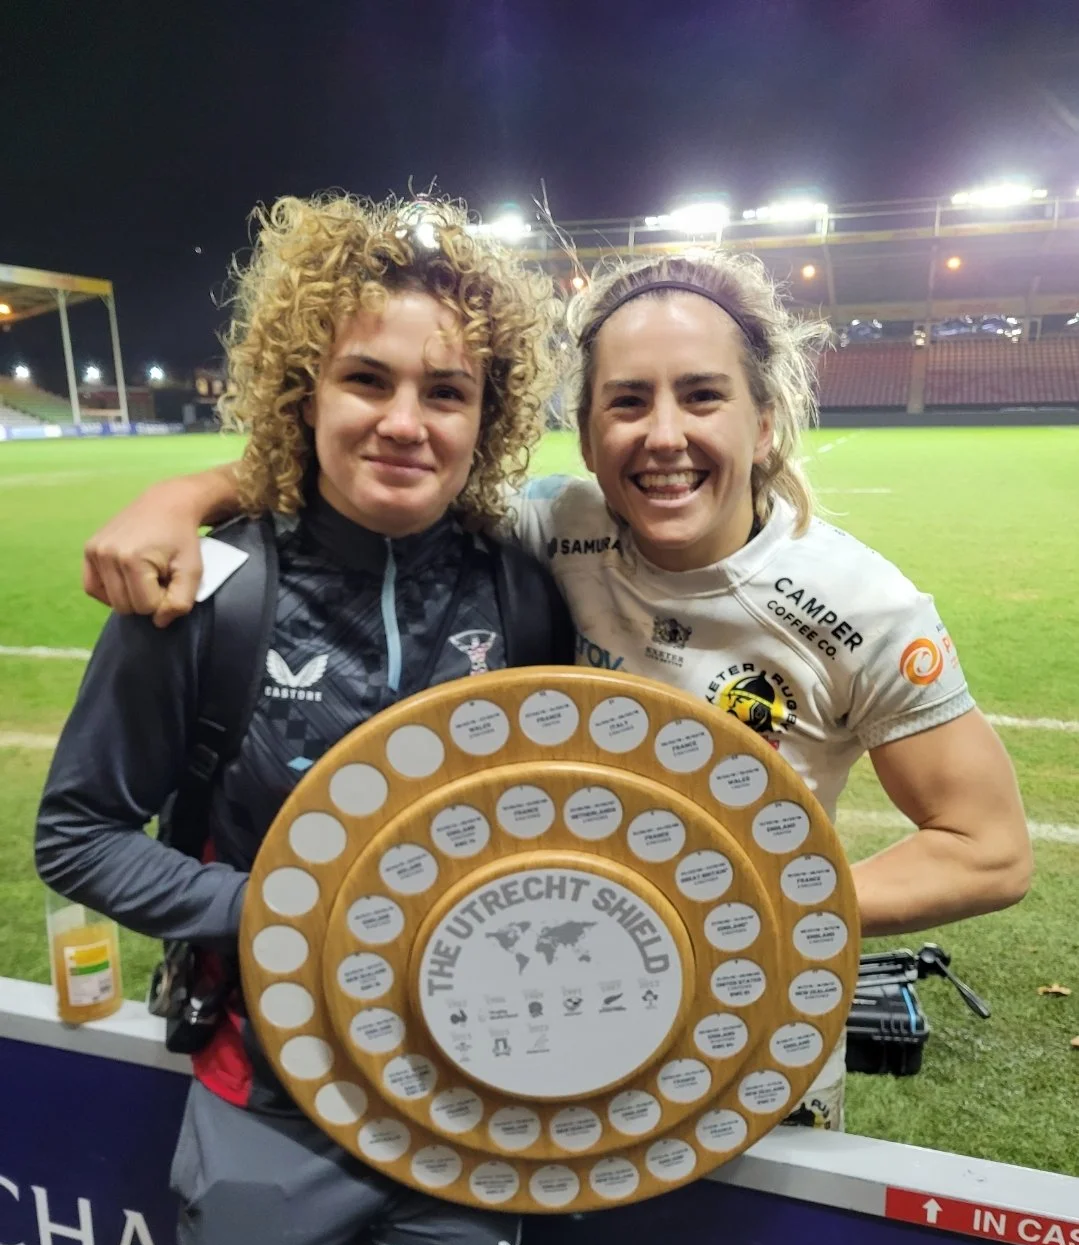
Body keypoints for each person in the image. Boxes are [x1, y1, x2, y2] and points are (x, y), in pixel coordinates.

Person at [80, 243, 1033, 1132]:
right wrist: (186, 497)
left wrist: (750, 907)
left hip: (739, 1053)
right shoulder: (544, 533)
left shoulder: (862, 607)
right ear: (583, 432)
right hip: (545, 1029)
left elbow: (987, 851)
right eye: (627, 402)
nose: (663, 435)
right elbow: (375, 461)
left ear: (764, 416)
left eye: (701, 396)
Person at [36, 193, 573, 1245]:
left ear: (484, 418)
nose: (402, 419)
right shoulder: (207, 592)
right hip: (264, 1115)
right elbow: (76, 832)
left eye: (446, 391)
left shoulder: (523, 596)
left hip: (466, 1121)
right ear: (302, 392)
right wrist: (278, 914)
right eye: (365, 379)